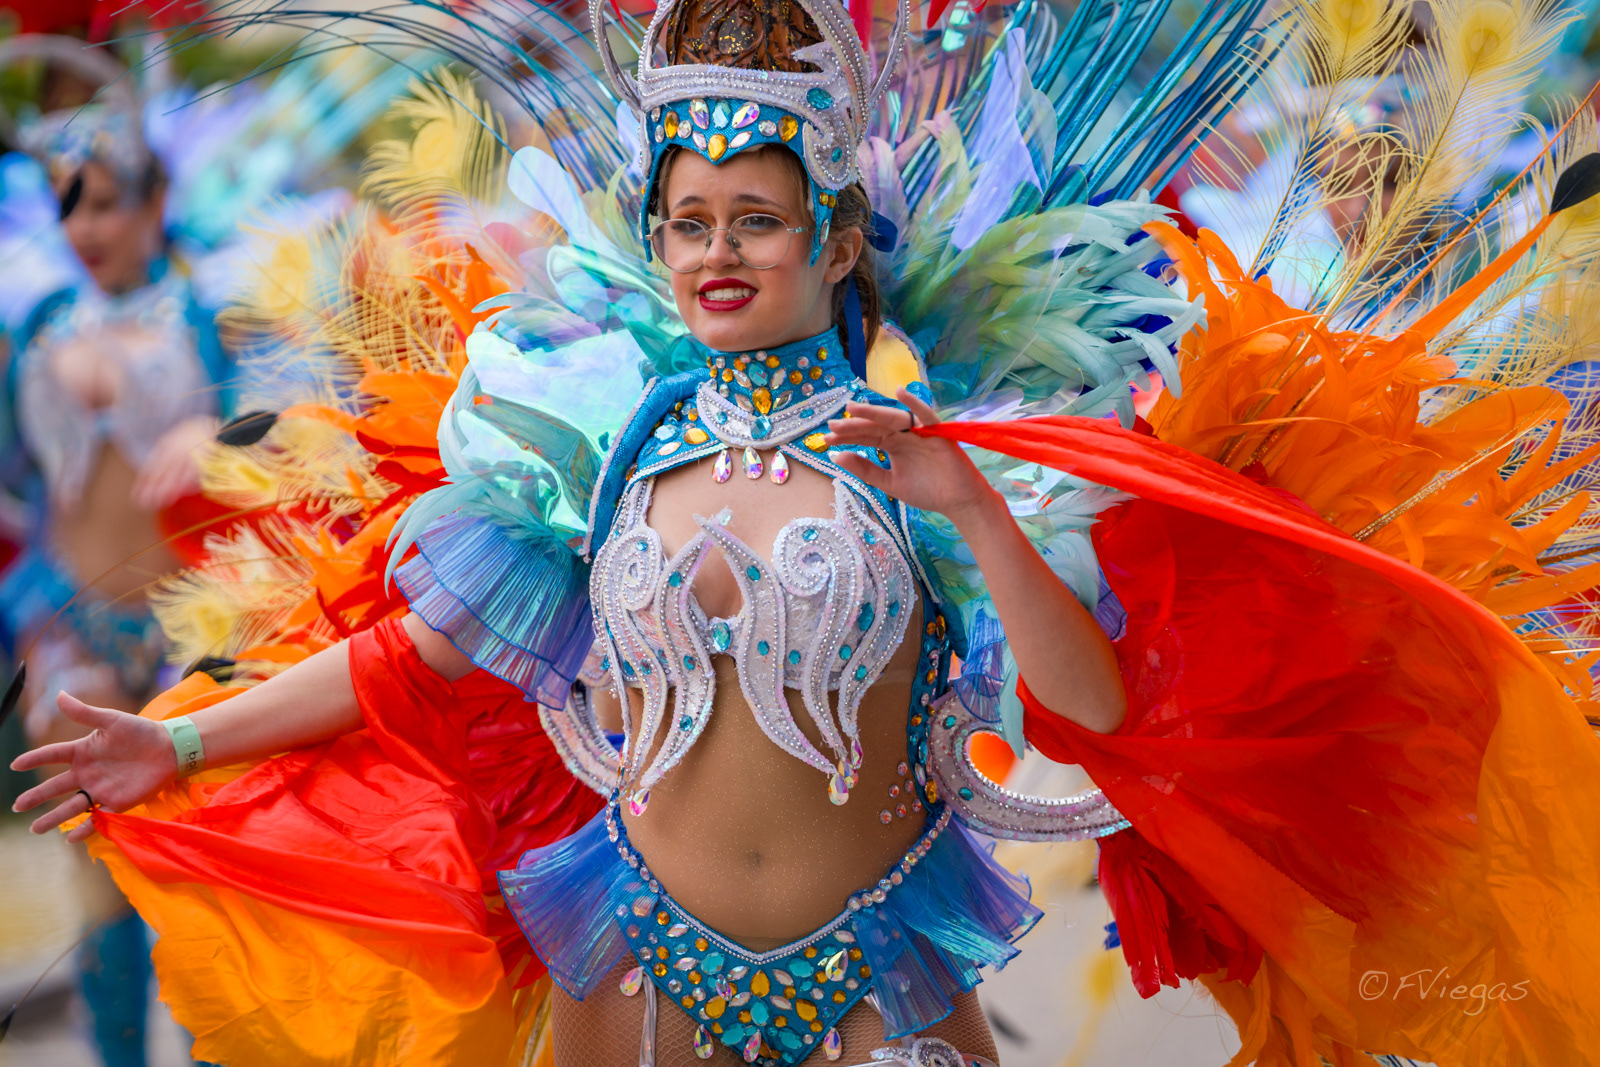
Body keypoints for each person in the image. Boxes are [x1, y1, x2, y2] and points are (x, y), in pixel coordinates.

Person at [12, 0, 1600, 1064]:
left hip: (879, 979)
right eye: (690, 223)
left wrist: (968, 501)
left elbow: (1095, 701)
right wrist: (183, 740)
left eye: (758, 221)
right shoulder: (592, 440)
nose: (720, 254)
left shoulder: (936, 446)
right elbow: (415, 657)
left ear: (835, 239)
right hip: (632, 965)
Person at [0, 73, 232, 1067]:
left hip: (197, 629)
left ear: (155, 199)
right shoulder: (39, 319)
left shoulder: (213, 310)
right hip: (73, 622)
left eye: (104, 202)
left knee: (203, 884)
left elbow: (288, 436)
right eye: (69, 206)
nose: (86, 227)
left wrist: (213, 432)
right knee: (99, 876)